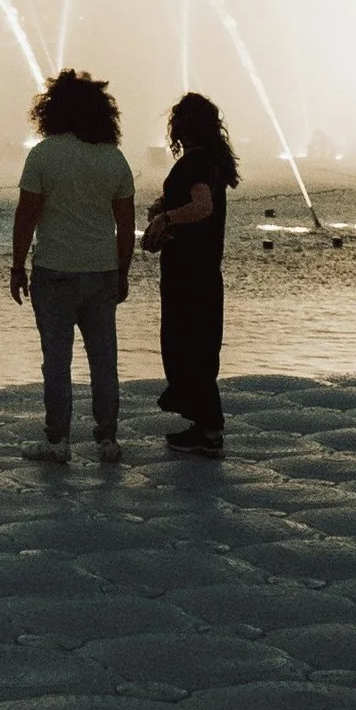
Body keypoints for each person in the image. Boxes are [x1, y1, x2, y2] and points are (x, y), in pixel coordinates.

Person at [9, 68, 135, 462]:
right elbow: (126, 225)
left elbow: (26, 216)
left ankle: (58, 440)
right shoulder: (114, 159)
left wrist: (17, 266)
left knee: (57, 361)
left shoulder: (43, 155)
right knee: (104, 360)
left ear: (52, 110)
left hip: (55, 271)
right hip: (101, 272)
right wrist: (123, 271)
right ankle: (107, 439)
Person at [143, 89, 239, 455]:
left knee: (188, 347)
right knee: (199, 347)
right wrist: (166, 205)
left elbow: (202, 207)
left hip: (189, 273)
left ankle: (208, 430)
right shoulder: (210, 161)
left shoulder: (196, 163)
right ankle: (203, 425)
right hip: (204, 270)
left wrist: (168, 217)